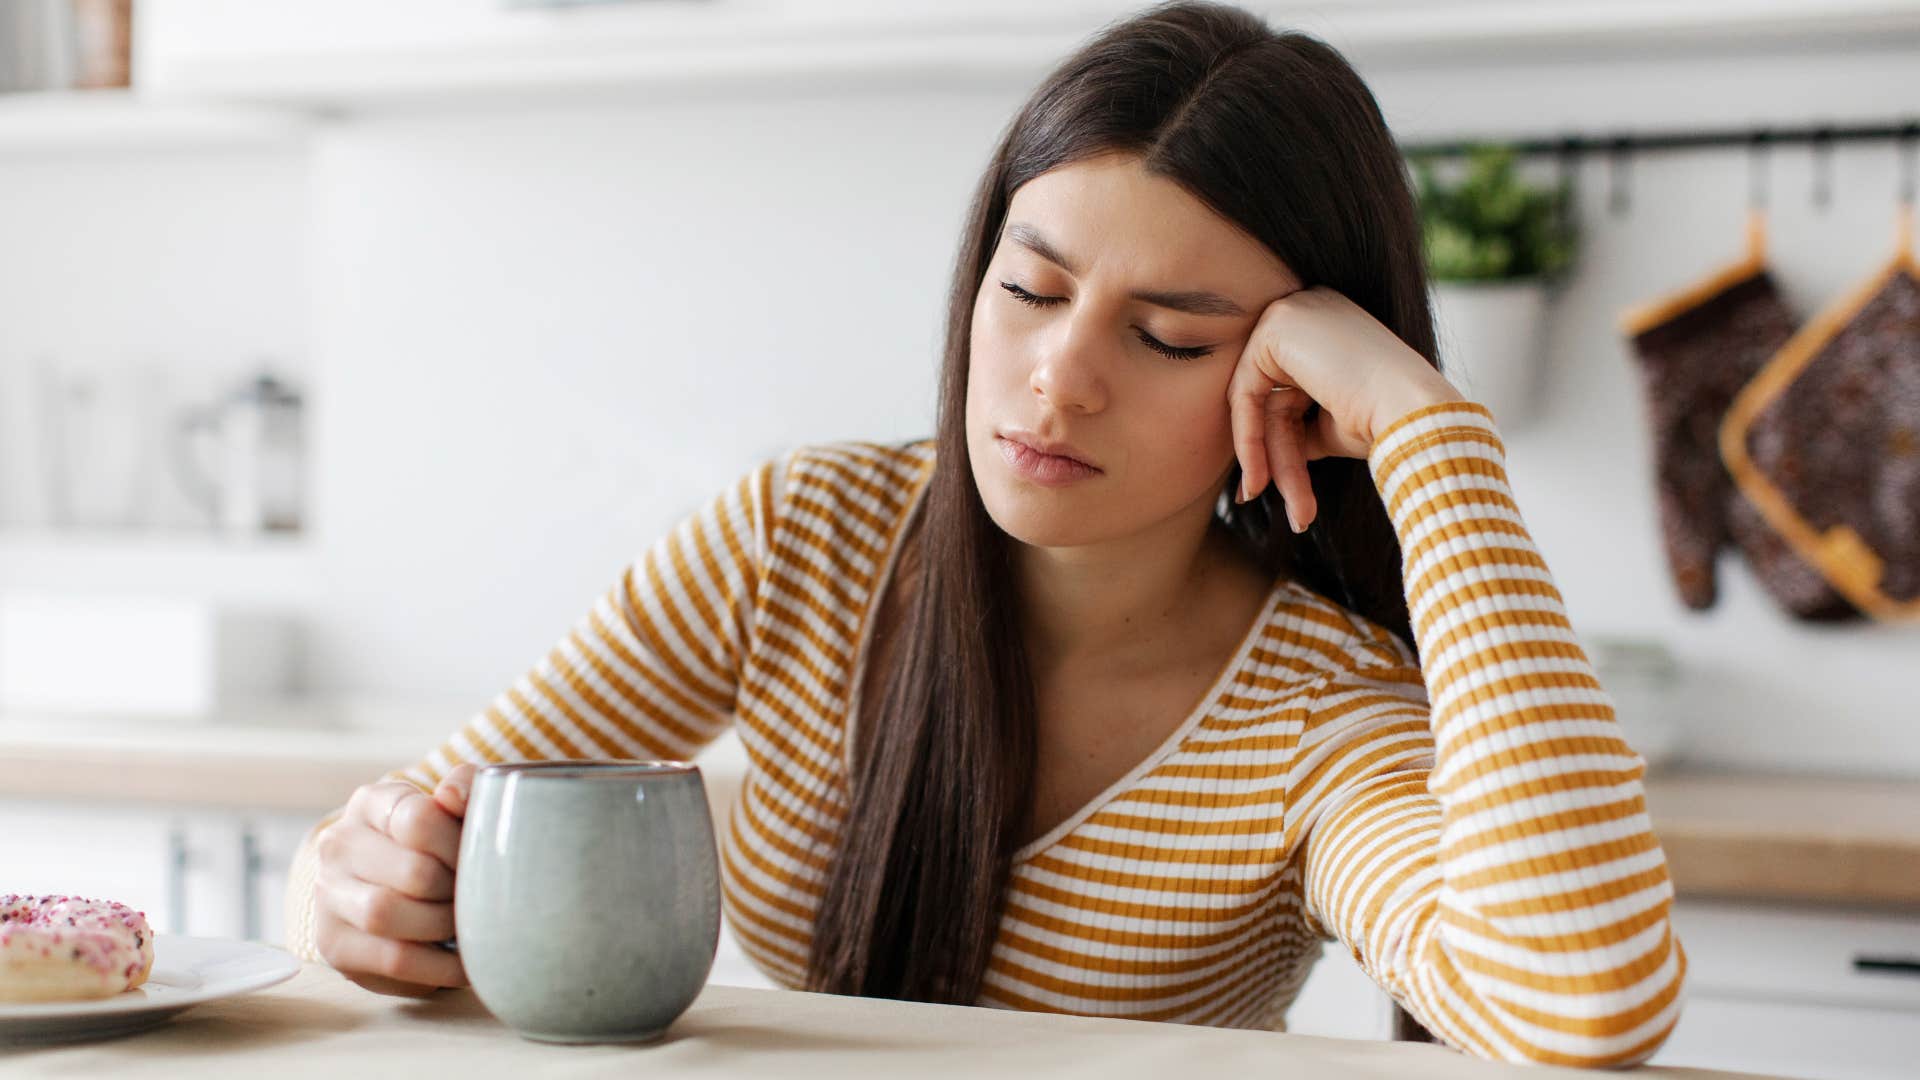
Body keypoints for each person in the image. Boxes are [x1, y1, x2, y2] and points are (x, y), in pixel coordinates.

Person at [286, 0, 1687, 1065]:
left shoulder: (1318, 716)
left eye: (1167, 337)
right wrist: (349, 890)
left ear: (1292, 391)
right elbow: (440, 837)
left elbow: (1584, 1006)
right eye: (1031, 289)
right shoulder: (804, 538)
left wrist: (1428, 433)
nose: (1059, 378)